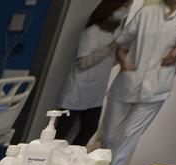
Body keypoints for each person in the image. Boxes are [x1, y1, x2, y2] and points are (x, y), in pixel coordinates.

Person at [103, 0, 176, 165]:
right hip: (128, 80)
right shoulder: (147, 12)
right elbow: (121, 43)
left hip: (158, 86)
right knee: (109, 137)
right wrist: (124, 61)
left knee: (128, 137)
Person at [56, 0, 131, 145]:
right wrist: (111, 47)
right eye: (124, 7)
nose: (126, 10)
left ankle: (71, 162)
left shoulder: (115, 33)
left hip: (95, 93)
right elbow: (83, 63)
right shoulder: (91, 33)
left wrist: (122, 53)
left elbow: (108, 63)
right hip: (76, 92)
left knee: (89, 130)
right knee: (61, 133)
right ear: (111, 8)